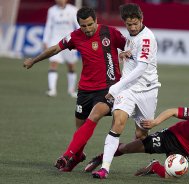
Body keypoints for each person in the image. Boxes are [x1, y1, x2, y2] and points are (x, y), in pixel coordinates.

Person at [23, 7, 126, 171]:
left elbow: (131, 46)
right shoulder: (75, 36)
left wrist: (127, 54)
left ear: (96, 21)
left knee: (95, 115)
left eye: (90, 25)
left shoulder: (110, 32)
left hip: (108, 88)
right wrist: (34, 60)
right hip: (85, 89)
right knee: (80, 128)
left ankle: (67, 156)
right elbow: (55, 48)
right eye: (83, 26)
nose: (87, 29)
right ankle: (78, 155)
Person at [88, 105, 189, 181]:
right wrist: (155, 123)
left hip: (182, 154)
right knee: (126, 148)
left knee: (170, 176)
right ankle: (102, 158)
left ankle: (154, 166)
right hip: (170, 137)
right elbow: (172, 111)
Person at [91, 3, 161, 179]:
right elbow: (131, 55)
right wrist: (123, 53)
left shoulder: (147, 38)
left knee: (141, 134)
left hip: (147, 90)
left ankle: (132, 155)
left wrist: (115, 87)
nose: (132, 27)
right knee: (118, 121)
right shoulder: (131, 35)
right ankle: (105, 168)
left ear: (141, 19)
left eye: (135, 23)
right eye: (129, 24)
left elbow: (140, 68)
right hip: (128, 89)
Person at [43, 0, 80, 98]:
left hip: (69, 41)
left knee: (71, 66)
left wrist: (79, 40)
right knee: (53, 63)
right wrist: (45, 41)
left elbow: (78, 26)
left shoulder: (73, 10)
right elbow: (48, 26)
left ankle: (71, 90)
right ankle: (52, 89)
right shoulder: (52, 10)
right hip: (55, 41)